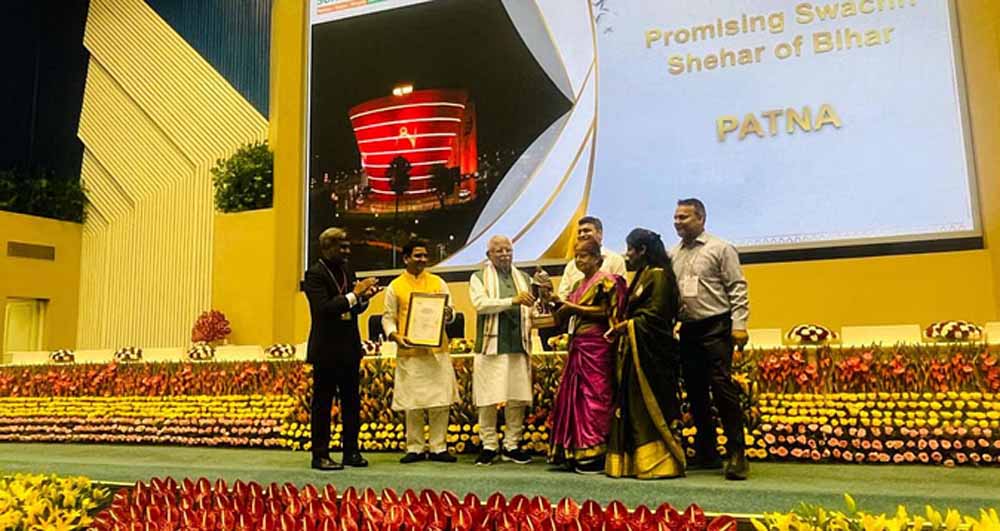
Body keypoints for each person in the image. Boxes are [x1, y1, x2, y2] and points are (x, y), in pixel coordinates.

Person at [671, 198, 750, 480]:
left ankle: (737, 454)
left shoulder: (721, 248)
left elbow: (737, 288)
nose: (678, 222)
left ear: (701, 219)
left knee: (722, 388)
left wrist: (739, 325)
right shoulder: (673, 254)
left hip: (716, 325)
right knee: (695, 391)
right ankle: (708, 451)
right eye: (676, 217)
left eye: (684, 217)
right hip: (689, 329)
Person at [604, 228, 686, 479]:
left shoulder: (658, 275)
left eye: (631, 249)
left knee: (648, 407)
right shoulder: (644, 273)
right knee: (633, 406)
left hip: (653, 355)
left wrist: (626, 326)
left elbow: (657, 315)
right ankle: (636, 463)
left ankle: (659, 463)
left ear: (642, 250)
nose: (627, 254)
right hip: (638, 350)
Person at [547, 239, 627, 473]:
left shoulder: (608, 281)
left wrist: (574, 308)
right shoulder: (578, 285)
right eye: (576, 256)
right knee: (575, 398)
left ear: (597, 259)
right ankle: (575, 450)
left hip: (598, 347)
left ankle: (595, 452)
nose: (579, 260)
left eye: (584, 256)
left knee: (596, 398)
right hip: (578, 345)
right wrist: (552, 300)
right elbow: (562, 316)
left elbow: (607, 312)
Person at [303, 227, 379, 470]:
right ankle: (320, 455)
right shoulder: (314, 274)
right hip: (326, 349)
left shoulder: (346, 270)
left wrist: (364, 298)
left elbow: (352, 308)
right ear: (327, 247)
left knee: (351, 403)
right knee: (323, 405)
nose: (347, 251)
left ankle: (351, 452)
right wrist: (355, 294)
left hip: (349, 347)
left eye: (348, 246)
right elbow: (324, 309)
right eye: (342, 247)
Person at [382, 239, 460, 464]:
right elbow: (388, 317)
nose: (422, 259)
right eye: (417, 256)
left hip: (437, 350)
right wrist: (395, 336)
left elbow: (451, 311)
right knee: (412, 402)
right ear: (406, 258)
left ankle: (439, 447)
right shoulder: (395, 286)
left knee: (440, 401)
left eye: (425, 256)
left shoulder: (438, 282)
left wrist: (448, 313)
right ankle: (414, 447)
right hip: (410, 351)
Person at [468, 235, 536, 466]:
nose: (505, 254)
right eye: (499, 251)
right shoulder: (478, 277)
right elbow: (481, 304)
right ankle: (489, 445)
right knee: (487, 397)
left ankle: (511, 445)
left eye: (508, 250)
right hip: (490, 347)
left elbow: (531, 308)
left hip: (518, 344)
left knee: (517, 396)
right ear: (489, 255)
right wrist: (513, 300)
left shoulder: (524, 278)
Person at [556, 216, 627, 300]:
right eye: (579, 232)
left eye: (586, 231)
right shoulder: (571, 265)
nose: (582, 235)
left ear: (599, 233)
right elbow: (563, 295)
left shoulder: (615, 260)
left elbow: (620, 294)